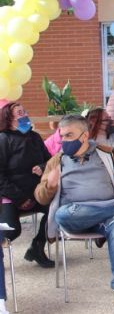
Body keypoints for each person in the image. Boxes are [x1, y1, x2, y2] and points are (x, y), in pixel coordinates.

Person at [35, 115, 114, 311]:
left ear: (85, 136)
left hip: (107, 218)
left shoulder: (106, 154)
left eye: (69, 135)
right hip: (76, 217)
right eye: (62, 136)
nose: (64, 140)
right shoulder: (57, 161)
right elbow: (40, 197)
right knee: (62, 214)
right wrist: (50, 184)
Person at [0, 102, 54, 268]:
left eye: (25, 111)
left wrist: (43, 167)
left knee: (56, 212)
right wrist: (20, 198)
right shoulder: (3, 139)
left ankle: (37, 247)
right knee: (12, 230)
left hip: (36, 192)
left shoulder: (35, 137)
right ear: (9, 119)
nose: (25, 115)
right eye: (20, 113)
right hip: (12, 196)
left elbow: (51, 161)